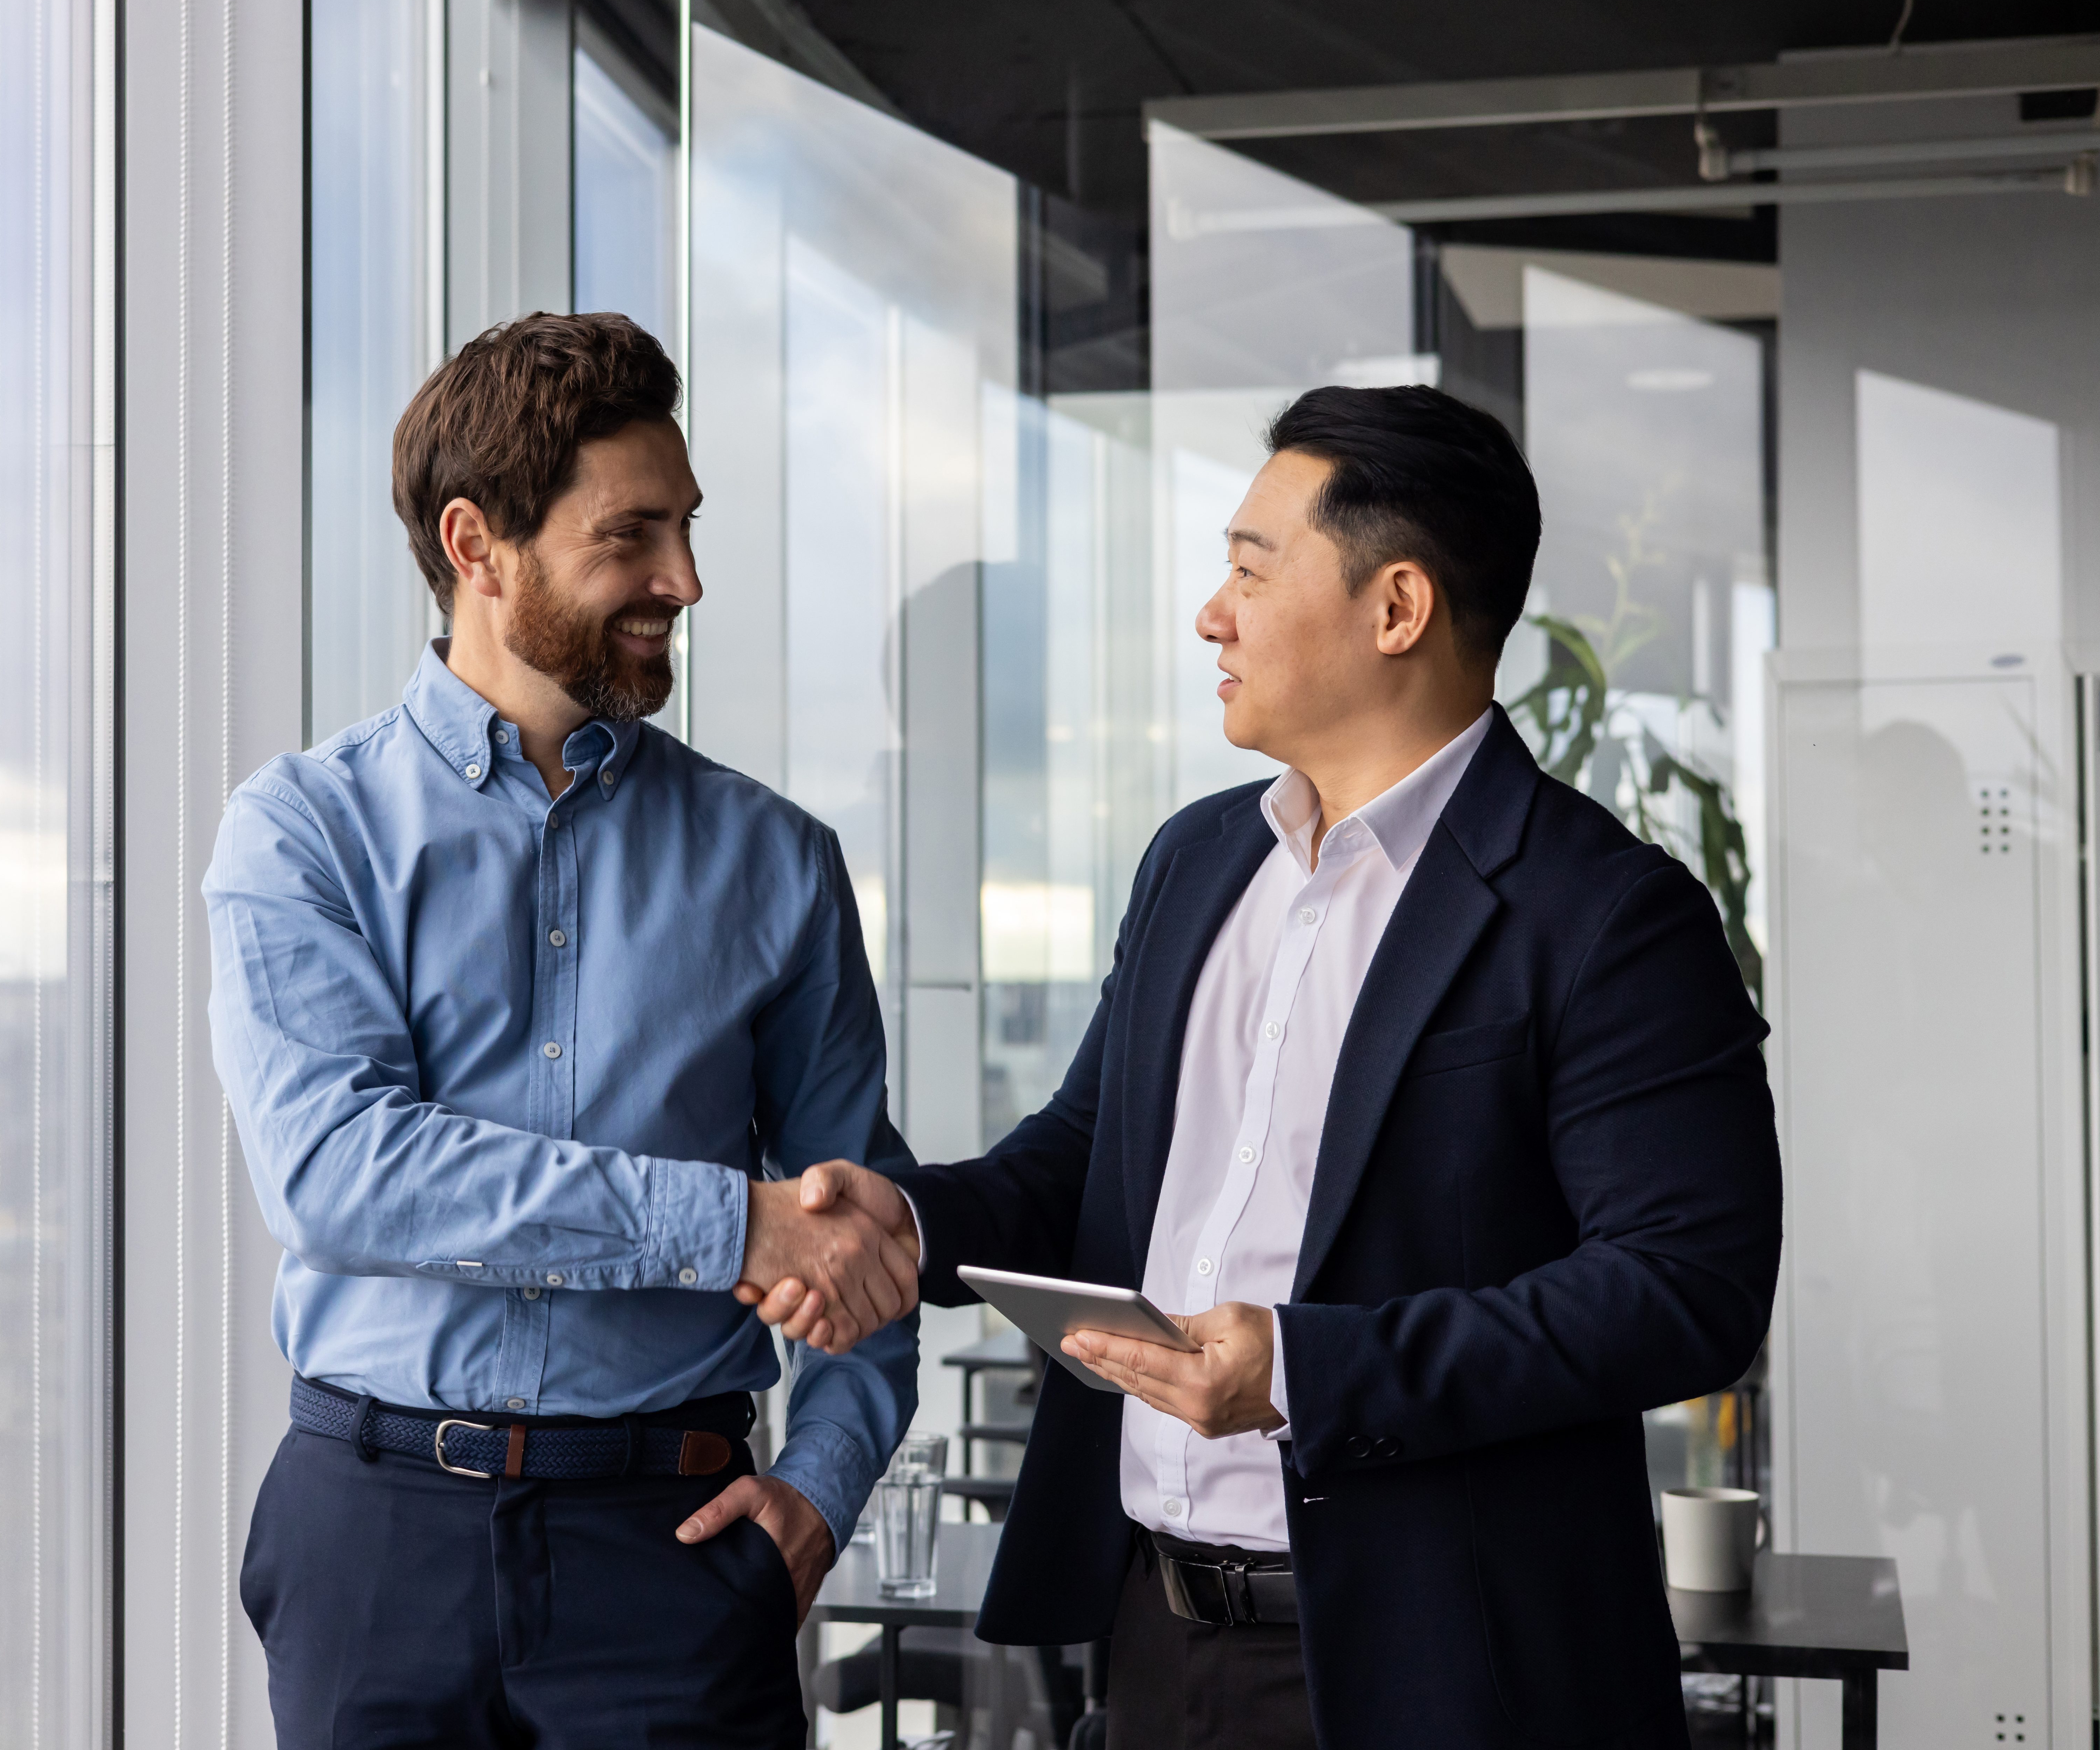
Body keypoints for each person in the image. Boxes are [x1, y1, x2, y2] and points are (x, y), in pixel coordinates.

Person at [748, 385, 1783, 1749]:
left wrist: (1306, 1367)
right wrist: (914, 1221)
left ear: (1394, 607)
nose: (1208, 615)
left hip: (1445, 1665)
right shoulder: (1197, 862)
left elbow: (1680, 1290)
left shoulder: (1600, 912)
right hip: (1155, 1635)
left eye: (1247, 568)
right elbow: (1084, 1164)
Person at [205, 312, 922, 1749]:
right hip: (376, 1543)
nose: (684, 580)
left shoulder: (776, 863)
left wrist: (818, 1495)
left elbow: (858, 1233)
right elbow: (342, 1176)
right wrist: (726, 1226)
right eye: (633, 536)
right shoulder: (302, 833)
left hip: (674, 1550)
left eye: (688, 529)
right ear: (477, 546)